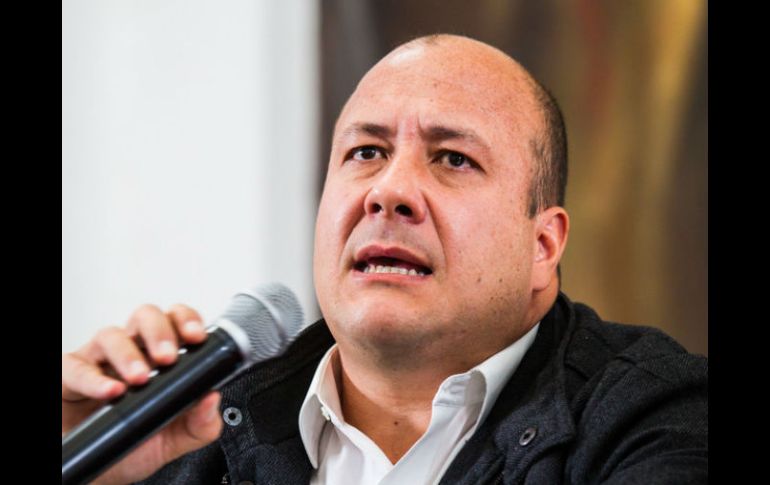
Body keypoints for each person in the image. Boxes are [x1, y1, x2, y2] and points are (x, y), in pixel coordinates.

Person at [62, 34, 708, 484]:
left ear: (543, 246)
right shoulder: (191, 435)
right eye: (366, 152)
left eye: (453, 158)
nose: (388, 191)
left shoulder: (660, 417)